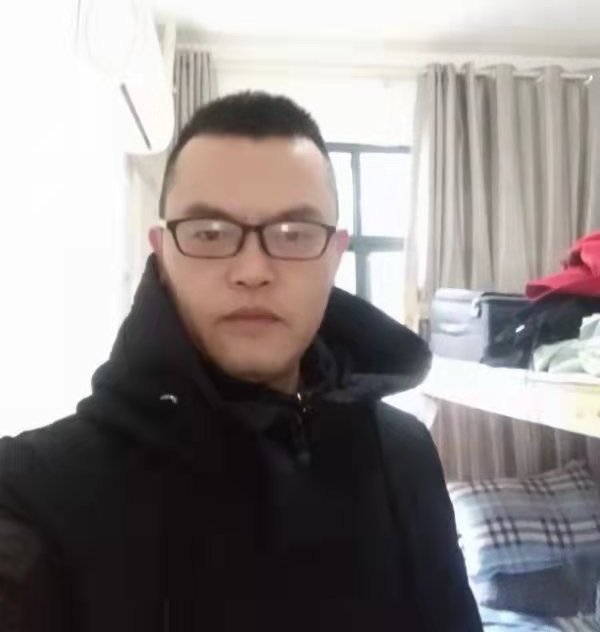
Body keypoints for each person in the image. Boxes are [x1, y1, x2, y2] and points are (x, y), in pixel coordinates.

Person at [0, 91, 482, 632]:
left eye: (294, 234)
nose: (252, 271)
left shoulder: (405, 453)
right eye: (209, 233)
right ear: (163, 251)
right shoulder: (36, 488)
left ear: (334, 254)